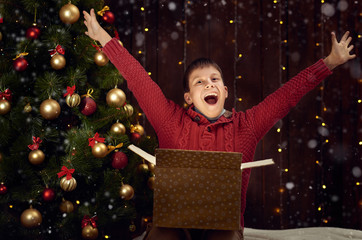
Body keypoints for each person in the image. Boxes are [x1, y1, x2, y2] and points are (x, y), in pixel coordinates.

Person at [83, 8, 356, 240]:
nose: (208, 84)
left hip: (222, 229)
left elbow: (287, 96)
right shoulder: (169, 119)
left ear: (225, 91)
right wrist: (102, 37)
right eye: (199, 82)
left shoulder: (246, 126)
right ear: (189, 97)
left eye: (214, 80)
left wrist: (330, 61)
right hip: (172, 226)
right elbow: (138, 78)